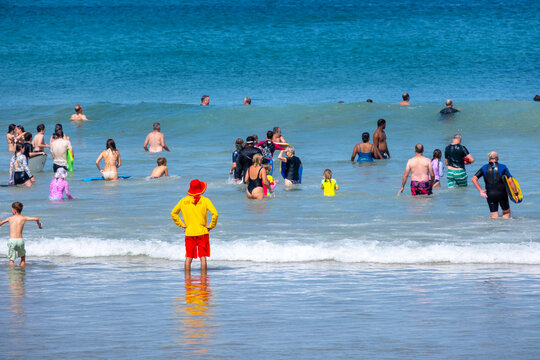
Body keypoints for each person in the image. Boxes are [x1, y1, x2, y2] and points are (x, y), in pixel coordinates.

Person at [170, 179, 218, 273]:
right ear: (200, 189)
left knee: (188, 258)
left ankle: (187, 278)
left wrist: (181, 224)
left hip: (189, 232)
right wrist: (211, 226)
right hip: (202, 232)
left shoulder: (183, 201)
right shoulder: (205, 200)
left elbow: (173, 213)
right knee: (203, 258)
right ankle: (203, 277)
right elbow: (215, 214)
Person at [472, 151, 515, 219]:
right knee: (506, 213)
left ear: (489, 158)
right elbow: (511, 181)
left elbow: (474, 179)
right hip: (502, 194)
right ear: (498, 158)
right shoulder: (503, 167)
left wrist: (480, 191)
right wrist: (515, 193)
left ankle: (494, 229)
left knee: (494, 215)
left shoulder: (484, 167)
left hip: (490, 194)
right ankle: (505, 228)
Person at [0, 202, 42, 266]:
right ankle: (21, 271)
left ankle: (12, 272)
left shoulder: (10, 218)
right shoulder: (23, 218)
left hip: (12, 241)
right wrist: (39, 224)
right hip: (20, 240)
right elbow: (36, 218)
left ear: (14, 210)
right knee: (22, 258)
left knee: (11, 259)